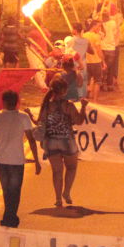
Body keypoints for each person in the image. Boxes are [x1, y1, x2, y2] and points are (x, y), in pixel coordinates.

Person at [0, 90, 41, 228]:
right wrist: (37, 161)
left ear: (4, 102)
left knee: (7, 190)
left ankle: (9, 217)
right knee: (15, 190)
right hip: (17, 160)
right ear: (17, 102)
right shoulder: (24, 117)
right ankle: (10, 217)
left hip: (1, 159)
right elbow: (31, 140)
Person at [29, 78, 87, 208]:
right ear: (64, 90)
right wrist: (83, 107)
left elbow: (40, 123)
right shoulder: (68, 105)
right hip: (67, 141)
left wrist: (31, 116)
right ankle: (66, 192)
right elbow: (79, 121)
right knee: (71, 167)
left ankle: (58, 198)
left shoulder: (46, 105)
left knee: (57, 172)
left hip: (51, 142)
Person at [63, 23, 91, 98]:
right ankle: (82, 99)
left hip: (74, 66)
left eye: (72, 29)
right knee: (82, 84)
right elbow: (91, 51)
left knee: (74, 85)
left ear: (75, 30)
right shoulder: (86, 41)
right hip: (83, 64)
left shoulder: (71, 41)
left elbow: (68, 54)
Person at [84, 20, 106, 100]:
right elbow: (99, 50)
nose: (99, 28)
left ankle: (87, 98)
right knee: (98, 81)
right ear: (94, 26)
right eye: (99, 26)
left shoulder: (84, 35)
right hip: (96, 62)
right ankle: (95, 100)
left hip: (87, 62)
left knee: (88, 82)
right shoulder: (96, 36)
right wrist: (103, 62)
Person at [101, 11, 122, 91]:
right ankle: (109, 84)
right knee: (109, 67)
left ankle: (104, 83)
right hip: (109, 48)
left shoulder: (102, 24)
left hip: (106, 48)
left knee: (105, 67)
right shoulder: (112, 23)